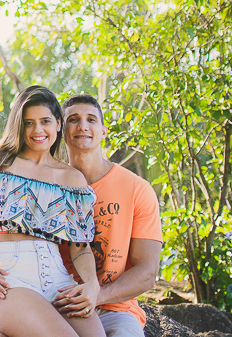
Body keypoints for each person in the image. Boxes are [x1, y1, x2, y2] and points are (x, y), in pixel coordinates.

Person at [0, 85, 105, 337]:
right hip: (9, 276)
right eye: (28, 123)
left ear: (58, 124)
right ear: (18, 125)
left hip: (58, 280)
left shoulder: (72, 179)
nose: (38, 130)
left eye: (45, 121)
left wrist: (92, 284)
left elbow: (80, 248)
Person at [51, 94, 163, 337]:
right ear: (60, 130)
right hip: (55, 303)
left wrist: (97, 295)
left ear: (103, 131)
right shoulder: (47, 185)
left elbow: (147, 271)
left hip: (115, 310)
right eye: (73, 119)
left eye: (91, 119)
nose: (83, 126)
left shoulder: (137, 189)